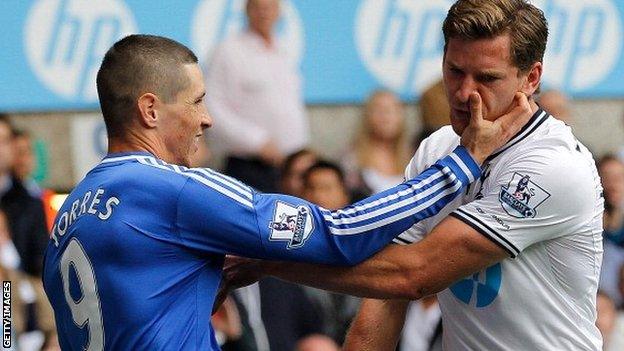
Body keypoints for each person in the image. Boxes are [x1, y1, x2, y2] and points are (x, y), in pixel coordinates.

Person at [41, 34, 530, 350]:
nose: (208, 118)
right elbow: (339, 231)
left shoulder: (68, 220)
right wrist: (461, 164)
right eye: (198, 101)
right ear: (150, 110)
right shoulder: (168, 189)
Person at [221, 1, 604, 350]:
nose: (463, 92)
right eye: (454, 71)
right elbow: (385, 300)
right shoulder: (438, 149)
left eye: (486, 78)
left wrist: (270, 261)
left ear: (531, 78)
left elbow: (415, 274)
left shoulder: (554, 167)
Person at [204, 0, 308, 192]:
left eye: (270, 7)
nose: (264, 13)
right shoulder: (228, 51)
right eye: (258, 7)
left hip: (289, 167)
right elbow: (211, 107)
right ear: (247, 10)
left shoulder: (283, 51)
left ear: (279, 11)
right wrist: (257, 142)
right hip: (248, 166)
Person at [342, 90, 412, 196]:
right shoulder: (351, 159)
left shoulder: (414, 156)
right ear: (367, 116)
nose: (386, 117)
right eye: (379, 110)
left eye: (392, 110)